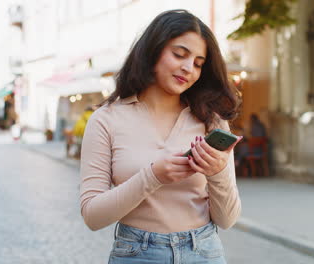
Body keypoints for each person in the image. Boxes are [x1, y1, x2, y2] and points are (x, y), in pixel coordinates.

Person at [80, 10, 242, 264]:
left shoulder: (211, 120)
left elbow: (227, 219)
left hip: (204, 252)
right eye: (179, 54)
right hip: (136, 254)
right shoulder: (105, 120)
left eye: (199, 63)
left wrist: (218, 172)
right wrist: (153, 176)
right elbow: (92, 216)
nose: (189, 68)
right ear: (153, 50)